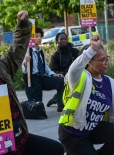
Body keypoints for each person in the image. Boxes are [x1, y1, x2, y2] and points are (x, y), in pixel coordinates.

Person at [0, 10, 64, 155]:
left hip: (18, 138)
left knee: (57, 149)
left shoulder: (2, 67)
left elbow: (16, 52)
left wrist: (23, 25)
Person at [22, 27, 64, 112]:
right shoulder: (27, 51)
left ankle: (61, 105)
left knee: (61, 80)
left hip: (41, 78)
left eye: (40, 36)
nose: (39, 38)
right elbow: (24, 70)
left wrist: (52, 74)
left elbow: (45, 67)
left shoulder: (40, 51)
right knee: (38, 107)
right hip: (32, 80)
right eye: (36, 36)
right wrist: (26, 62)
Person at [47, 32, 79, 107]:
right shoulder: (55, 56)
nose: (64, 40)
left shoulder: (74, 51)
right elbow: (53, 69)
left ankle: (58, 97)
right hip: (63, 75)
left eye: (65, 39)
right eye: (61, 39)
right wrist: (60, 73)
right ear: (57, 41)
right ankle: (58, 98)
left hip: (74, 73)